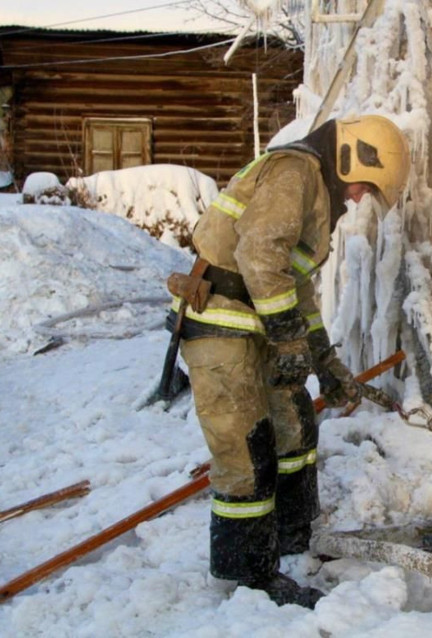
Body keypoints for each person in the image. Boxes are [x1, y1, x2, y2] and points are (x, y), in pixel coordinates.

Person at [166, 115, 410, 607]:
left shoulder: (317, 191)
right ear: (351, 156)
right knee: (247, 451)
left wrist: (324, 360)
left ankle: (295, 537)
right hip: (221, 325)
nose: (361, 197)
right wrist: (286, 337)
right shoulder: (295, 172)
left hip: (257, 328)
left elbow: (295, 287)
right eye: (366, 185)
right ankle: (248, 575)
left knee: (296, 425)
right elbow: (258, 254)